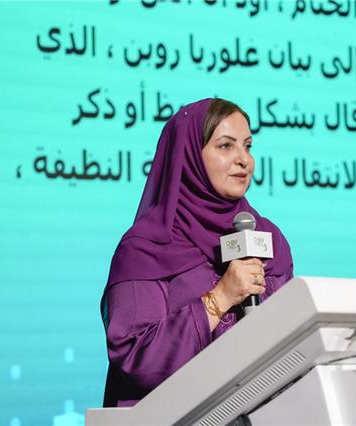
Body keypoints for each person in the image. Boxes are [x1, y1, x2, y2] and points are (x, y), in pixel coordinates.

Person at [100, 98, 294, 407]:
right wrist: (220, 298)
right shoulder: (145, 249)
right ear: (187, 156)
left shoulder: (269, 239)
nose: (244, 160)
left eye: (247, 146)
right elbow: (135, 356)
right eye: (226, 146)